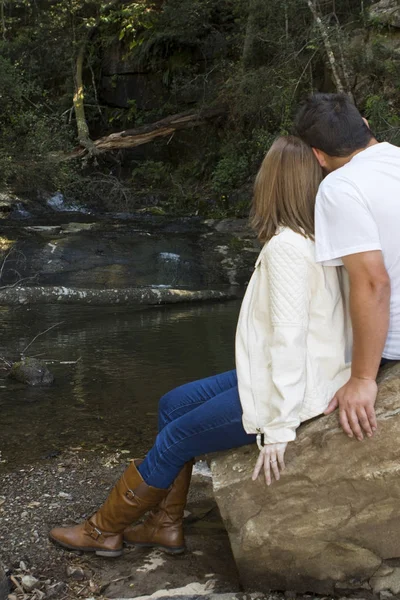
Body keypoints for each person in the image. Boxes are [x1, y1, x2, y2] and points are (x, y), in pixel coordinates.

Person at [49, 136, 351, 558]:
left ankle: (103, 531)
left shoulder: (287, 248)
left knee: (174, 438)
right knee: (173, 403)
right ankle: (164, 524)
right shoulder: (316, 238)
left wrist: (278, 428)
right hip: (286, 373)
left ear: (274, 184)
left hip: (289, 389)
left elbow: (288, 339)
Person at [295, 93, 400, 442]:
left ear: (318, 156)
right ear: (366, 126)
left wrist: (362, 380)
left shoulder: (339, 187)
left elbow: (373, 283)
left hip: (390, 349)